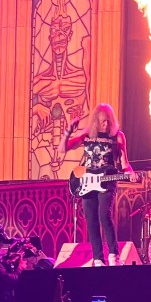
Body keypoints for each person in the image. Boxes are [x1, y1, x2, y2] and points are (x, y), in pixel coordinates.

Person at [58, 103, 137, 267]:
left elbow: (125, 163)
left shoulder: (118, 137)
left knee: (104, 215)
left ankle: (114, 255)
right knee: (91, 220)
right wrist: (68, 131)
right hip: (87, 182)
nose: (106, 124)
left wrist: (131, 173)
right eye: (102, 121)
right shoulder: (87, 134)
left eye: (108, 121)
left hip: (107, 181)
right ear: (96, 121)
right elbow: (62, 149)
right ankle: (98, 259)